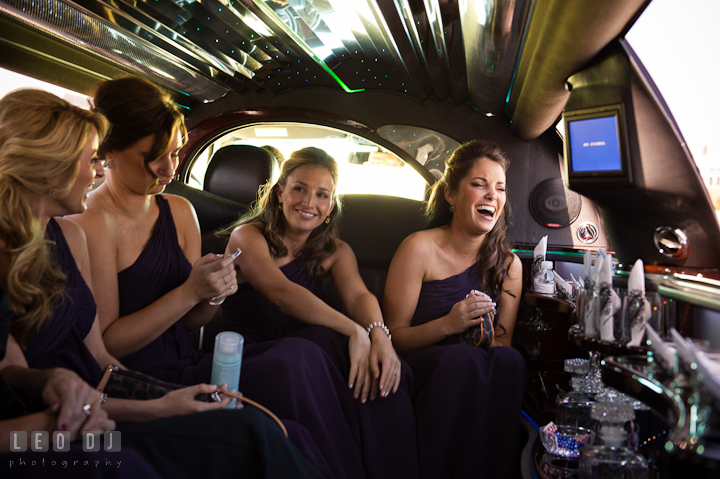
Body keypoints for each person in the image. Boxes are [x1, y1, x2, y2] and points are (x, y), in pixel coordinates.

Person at [0, 88, 323, 478]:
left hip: (98, 396)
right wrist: (156, 400)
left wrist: (213, 294)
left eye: (175, 154)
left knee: (283, 411)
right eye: (90, 160)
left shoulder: (67, 236)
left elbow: (99, 362)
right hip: (60, 423)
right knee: (252, 429)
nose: (96, 170)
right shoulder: (84, 228)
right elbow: (46, 374)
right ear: (50, 168)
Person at [71, 77, 378, 479]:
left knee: (308, 358)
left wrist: (212, 294)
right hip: (140, 379)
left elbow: (192, 324)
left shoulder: (179, 210)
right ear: (109, 150)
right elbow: (109, 344)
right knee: (293, 365)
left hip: (192, 361)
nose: (170, 169)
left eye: (176, 153)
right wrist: (189, 292)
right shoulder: (91, 223)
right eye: (154, 156)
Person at [221, 146, 419, 479]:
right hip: (252, 358)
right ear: (280, 193)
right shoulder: (248, 236)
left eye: (322, 194)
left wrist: (378, 335)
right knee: (309, 352)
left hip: (306, 358)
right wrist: (354, 331)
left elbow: (358, 296)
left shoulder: (335, 251)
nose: (308, 202)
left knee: (378, 364)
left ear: (330, 208)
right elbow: (280, 292)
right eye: (299, 188)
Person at [383, 140, 526, 479]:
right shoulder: (419, 247)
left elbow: (501, 346)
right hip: (422, 365)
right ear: (451, 194)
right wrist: (450, 323)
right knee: (464, 361)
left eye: (500, 188)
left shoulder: (509, 265)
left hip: (472, 367)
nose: (492, 195)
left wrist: (482, 332)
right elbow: (394, 338)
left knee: (510, 361)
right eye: (479, 184)